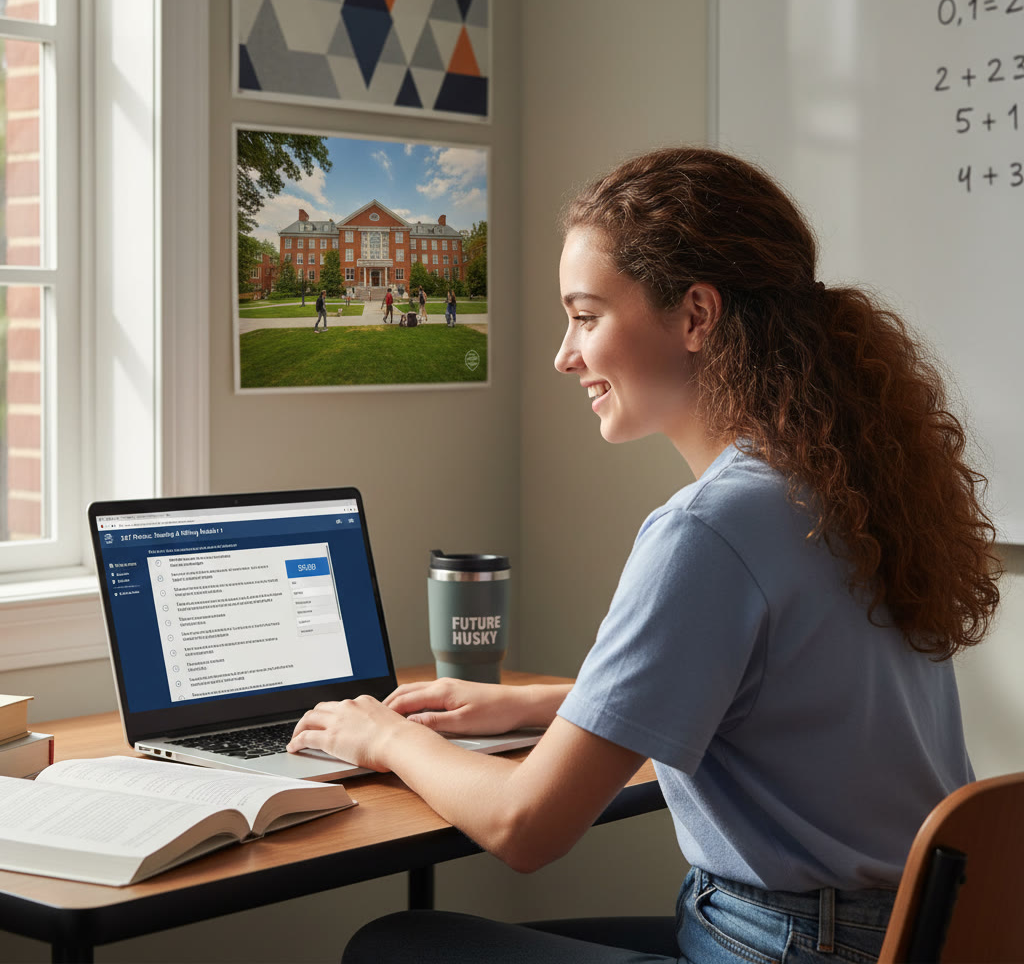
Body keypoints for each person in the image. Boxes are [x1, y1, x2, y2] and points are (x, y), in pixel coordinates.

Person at [288, 147, 1002, 963]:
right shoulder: (840, 487)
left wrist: (382, 737)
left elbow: (526, 827)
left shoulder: (711, 528)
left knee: (399, 945)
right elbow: (769, 698)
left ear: (697, 316)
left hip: (787, 945)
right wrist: (544, 705)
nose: (565, 355)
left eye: (586, 317)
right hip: (905, 937)